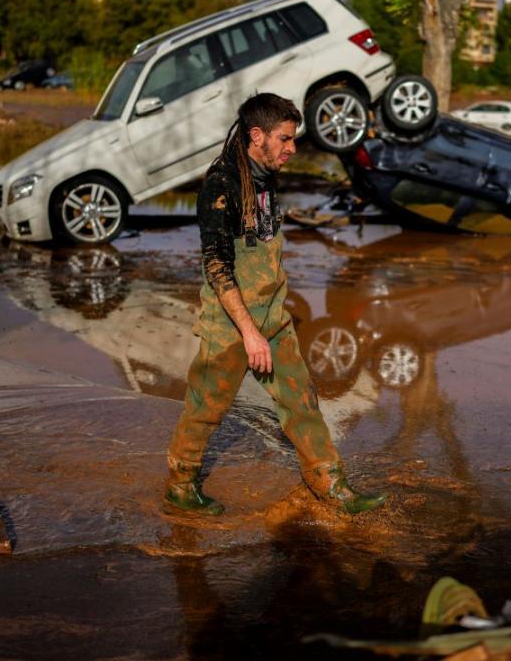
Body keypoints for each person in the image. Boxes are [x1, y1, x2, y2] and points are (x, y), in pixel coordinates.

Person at [164, 92, 386, 516]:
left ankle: (330, 484)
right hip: (230, 324)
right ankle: (180, 485)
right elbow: (217, 267)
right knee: (205, 409)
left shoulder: (265, 175)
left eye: (293, 138)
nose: (292, 148)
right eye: (285, 138)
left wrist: (272, 322)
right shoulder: (221, 186)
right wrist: (249, 334)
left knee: (301, 401)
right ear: (256, 136)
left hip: (273, 316)